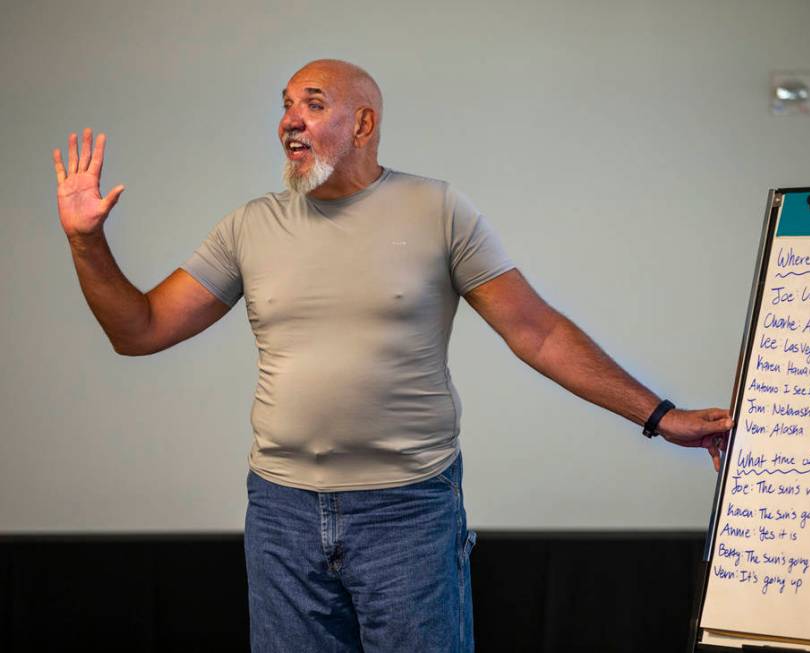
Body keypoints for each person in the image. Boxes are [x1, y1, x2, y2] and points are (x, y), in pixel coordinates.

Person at [53, 58, 732, 652]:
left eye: (312, 103)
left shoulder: (436, 210)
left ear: (363, 123)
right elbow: (137, 329)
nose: (290, 119)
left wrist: (660, 414)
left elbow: (540, 332)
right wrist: (87, 243)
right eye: (285, 105)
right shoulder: (248, 226)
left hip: (407, 513)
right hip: (282, 515)